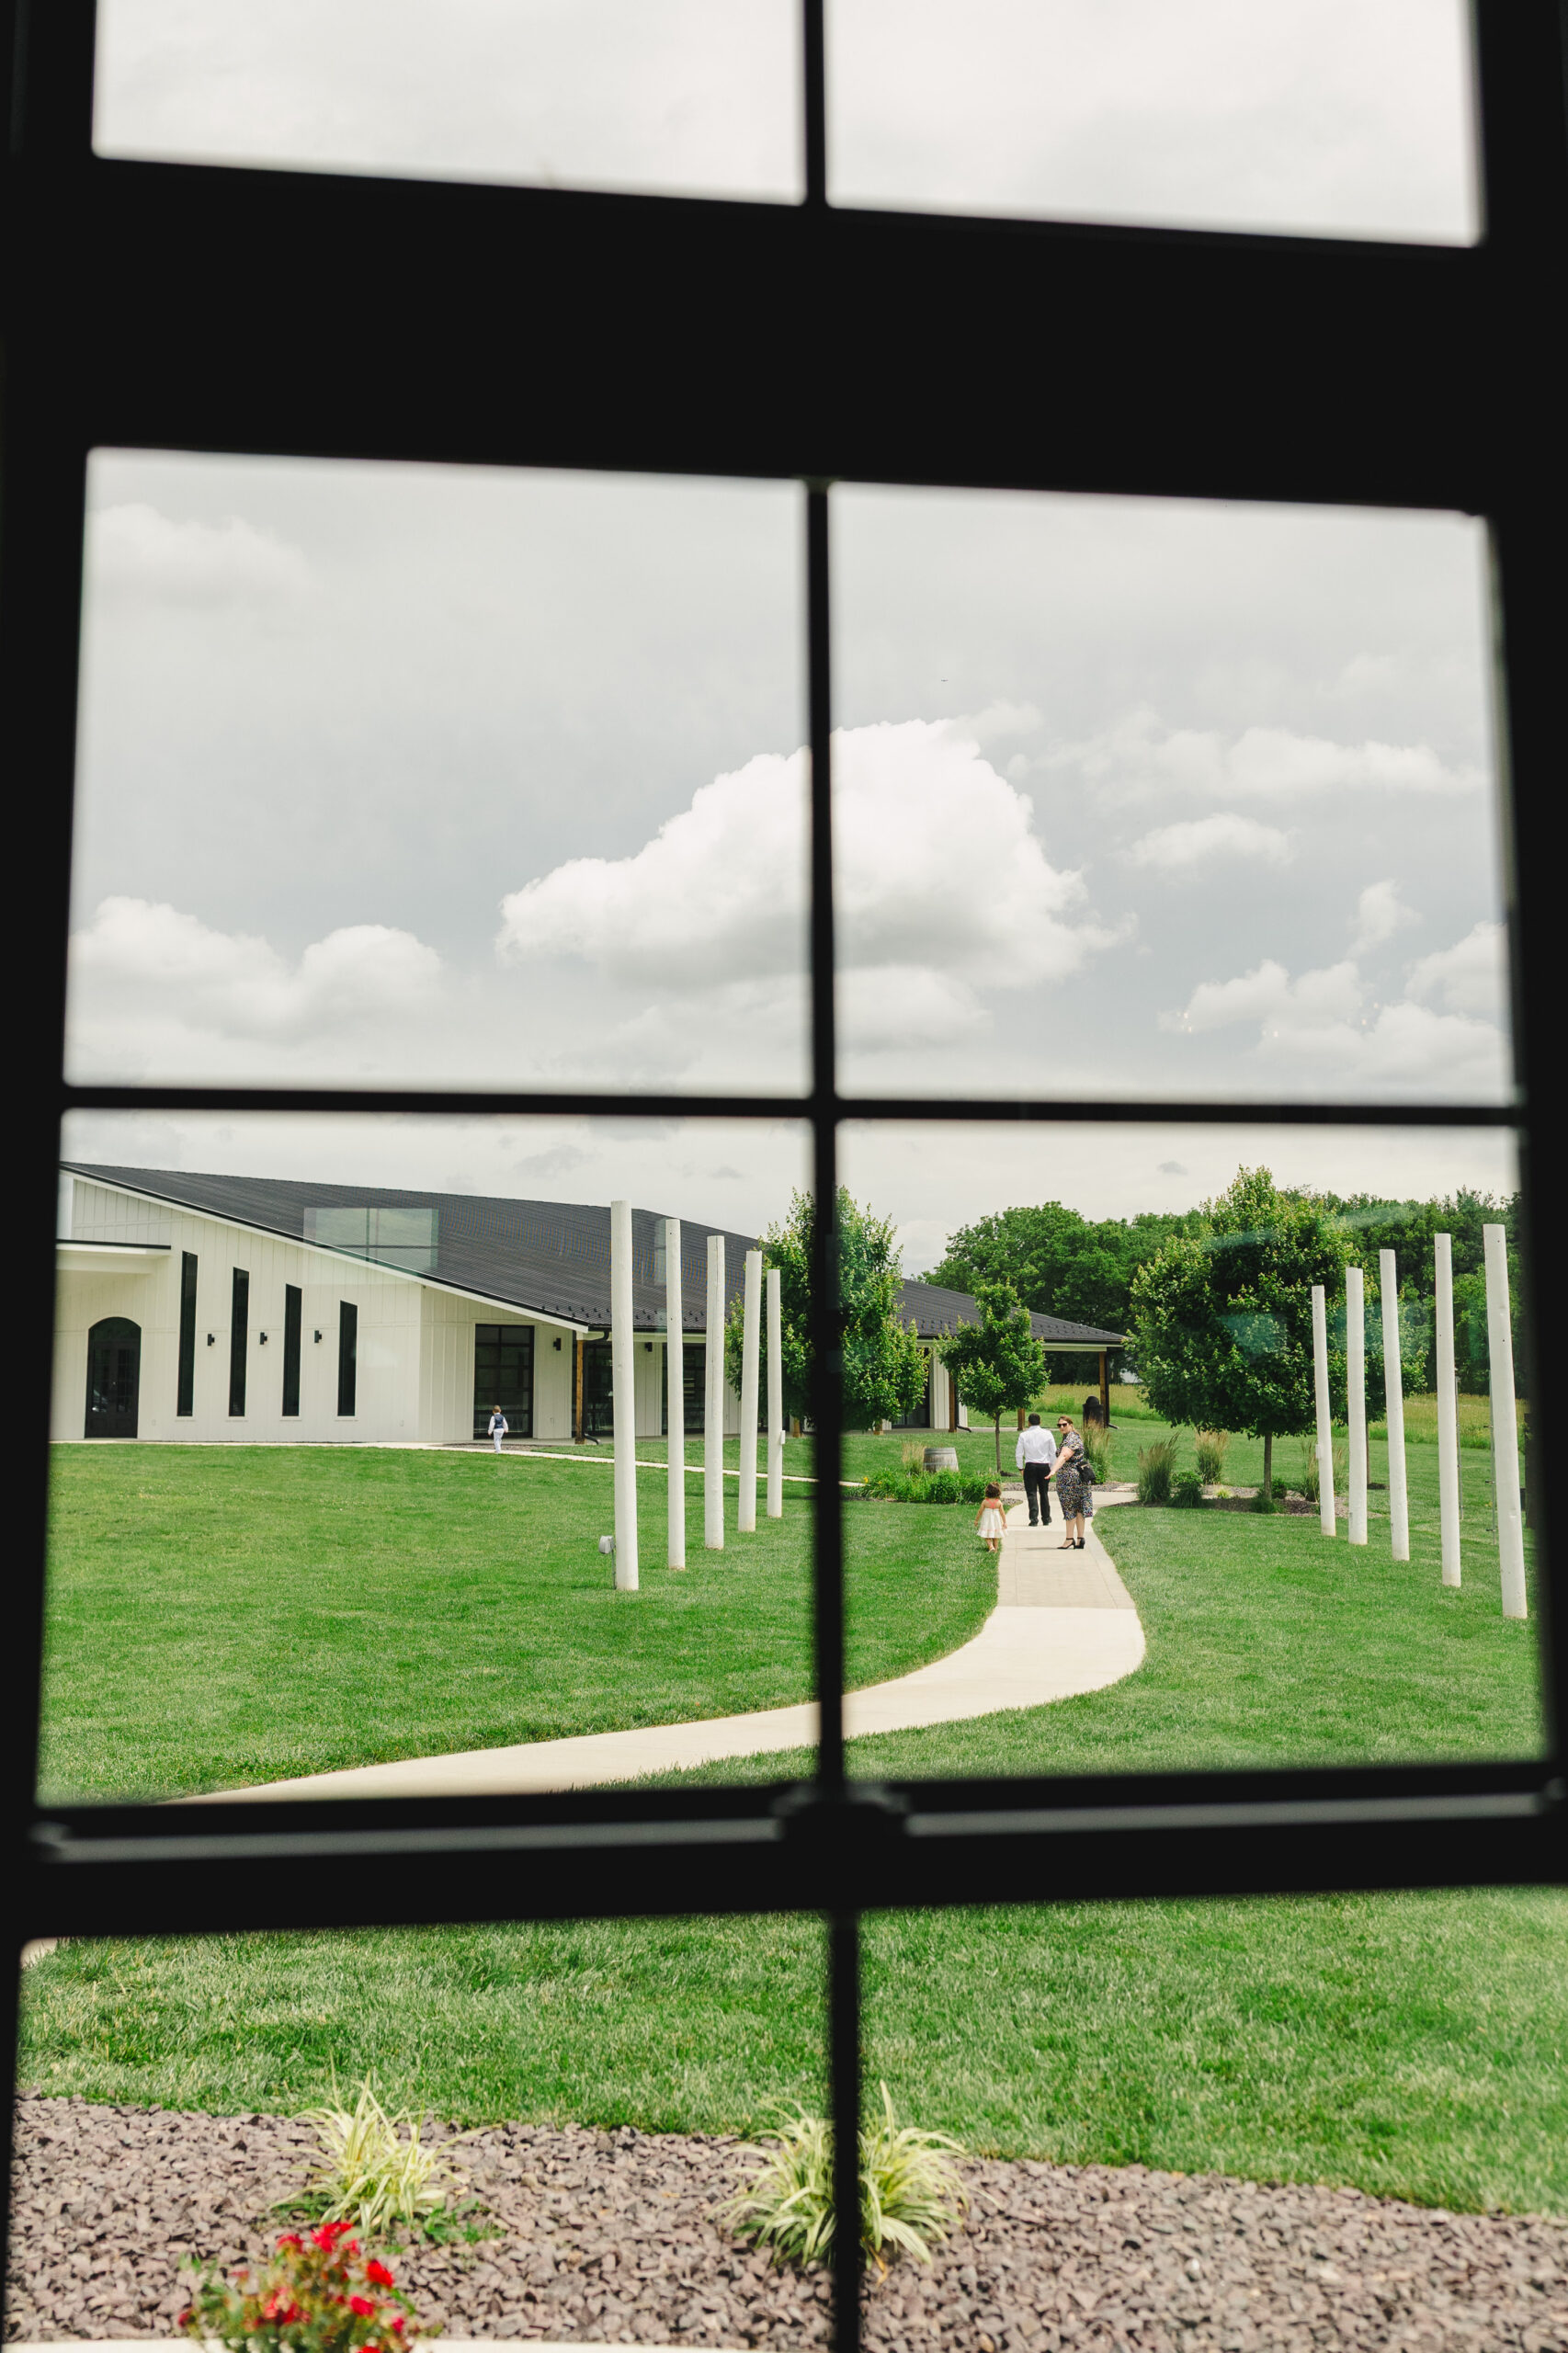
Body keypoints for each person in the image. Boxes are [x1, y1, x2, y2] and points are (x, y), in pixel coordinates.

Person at [1052, 1415, 1088, 1551]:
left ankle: (1069, 1539)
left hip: (1070, 1478)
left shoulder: (1071, 1438)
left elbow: (1064, 1456)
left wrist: (1053, 1470)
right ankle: (1080, 1539)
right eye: (1059, 1425)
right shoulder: (1071, 1437)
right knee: (1079, 1508)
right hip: (1078, 1477)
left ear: (1071, 1424)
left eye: (1064, 1424)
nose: (1061, 1427)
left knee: (1070, 1508)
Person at [1015, 1411, 1056, 1526]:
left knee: (1031, 1493)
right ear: (1040, 1422)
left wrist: (1020, 1467)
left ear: (1028, 1423)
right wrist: (1053, 1467)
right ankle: (1046, 1517)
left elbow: (1019, 1453)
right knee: (1044, 1492)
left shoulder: (1023, 1435)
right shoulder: (1048, 1434)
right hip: (1044, 1466)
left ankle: (1033, 1519)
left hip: (1030, 1465)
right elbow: (1053, 1452)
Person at [974, 1481, 1006, 1553]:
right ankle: (996, 1550)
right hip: (996, 1521)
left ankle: (991, 1547)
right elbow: (1002, 1513)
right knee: (996, 1536)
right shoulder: (998, 1502)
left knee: (987, 1536)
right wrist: (1004, 1522)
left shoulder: (985, 1502)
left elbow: (980, 1512)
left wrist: (976, 1520)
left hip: (987, 1521)